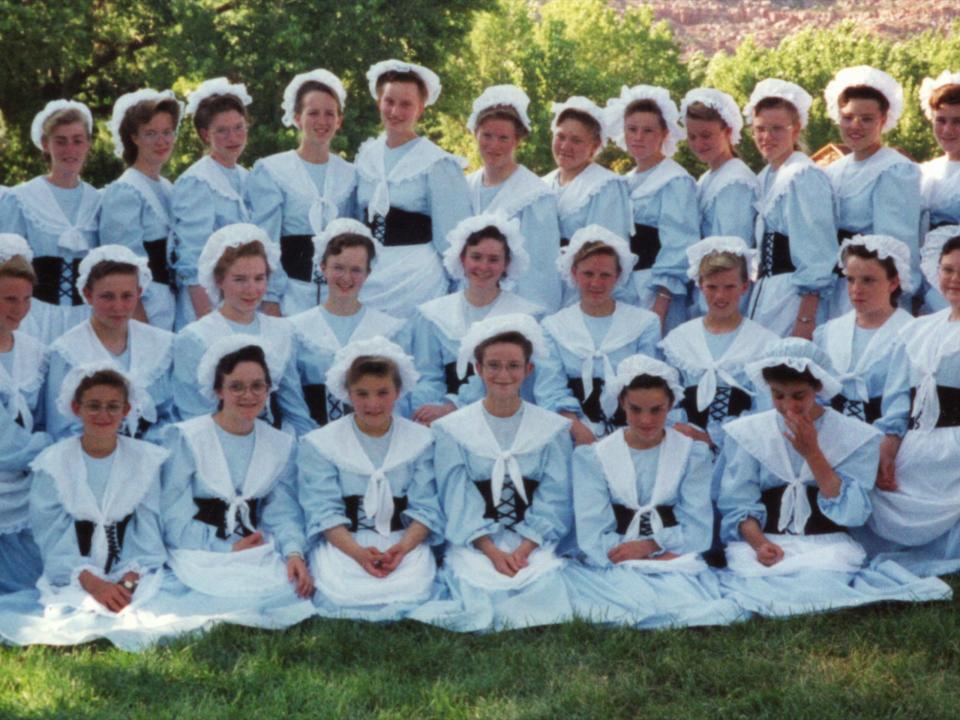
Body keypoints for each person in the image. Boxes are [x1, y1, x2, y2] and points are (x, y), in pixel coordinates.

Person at [716, 339, 950, 617]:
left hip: (824, 545)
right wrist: (759, 544)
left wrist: (813, 452)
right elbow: (737, 500)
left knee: (815, 587)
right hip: (768, 540)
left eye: (798, 396)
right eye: (778, 396)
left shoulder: (853, 436)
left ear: (818, 388)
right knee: (755, 580)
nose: (788, 405)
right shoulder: (749, 433)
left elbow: (853, 514)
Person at [564, 355, 744, 628]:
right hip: (617, 555)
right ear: (622, 402)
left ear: (671, 404)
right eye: (635, 409)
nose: (645, 420)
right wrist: (626, 552)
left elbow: (697, 524)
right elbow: (592, 531)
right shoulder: (594, 457)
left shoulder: (691, 453)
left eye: (656, 410)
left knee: (685, 597)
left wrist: (653, 546)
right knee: (620, 595)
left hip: (672, 554)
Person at [428, 314, 575, 631]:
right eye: (493, 365)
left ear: (528, 370)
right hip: (477, 538)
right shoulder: (452, 429)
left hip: (531, 538)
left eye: (513, 366)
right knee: (479, 580)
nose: (503, 374)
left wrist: (524, 548)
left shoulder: (551, 429)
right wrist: (492, 551)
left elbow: (555, 496)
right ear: (478, 369)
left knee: (539, 577)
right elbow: (456, 496)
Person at [161, 337, 316, 622]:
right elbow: (172, 514)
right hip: (201, 547)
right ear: (218, 390)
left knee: (283, 589)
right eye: (236, 387)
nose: (249, 395)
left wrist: (293, 552)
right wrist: (224, 547)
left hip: (255, 545)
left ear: (269, 389)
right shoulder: (188, 437)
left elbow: (283, 510)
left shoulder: (279, 443)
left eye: (258, 386)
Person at [298, 337, 445, 620]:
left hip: (402, 539)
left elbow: (427, 506)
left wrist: (401, 549)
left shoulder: (422, 440)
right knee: (342, 587)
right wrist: (359, 553)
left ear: (398, 391)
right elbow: (323, 509)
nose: (373, 403)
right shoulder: (321, 443)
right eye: (362, 394)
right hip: (347, 540)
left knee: (412, 584)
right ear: (347, 393)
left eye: (382, 392)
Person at [865, 228, 960, 576]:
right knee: (873, 482)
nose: (954, 279)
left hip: (955, 448)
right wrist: (889, 443)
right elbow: (897, 400)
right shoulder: (919, 329)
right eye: (948, 269)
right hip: (918, 440)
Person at [354, 59, 472, 317]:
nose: (395, 111)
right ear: (379, 102)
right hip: (368, 275)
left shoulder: (437, 163)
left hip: (416, 278)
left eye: (406, 104)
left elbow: (452, 237)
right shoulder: (366, 155)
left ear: (420, 109)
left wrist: (457, 293)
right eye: (389, 101)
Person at [171, 223, 312, 434]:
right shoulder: (195, 338)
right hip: (214, 444)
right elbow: (193, 415)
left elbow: (294, 408)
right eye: (240, 279)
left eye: (259, 278)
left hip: (271, 442)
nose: (252, 289)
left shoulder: (282, 331)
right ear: (219, 280)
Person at [410, 213, 543, 425]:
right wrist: (431, 411)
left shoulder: (525, 316)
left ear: (506, 263)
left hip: (504, 414)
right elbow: (427, 375)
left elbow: (527, 383)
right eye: (476, 257)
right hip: (444, 419)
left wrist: (454, 406)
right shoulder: (432, 314)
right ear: (462, 258)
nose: (483, 266)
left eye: (493, 259)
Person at [247, 69, 358, 315]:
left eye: (330, 114)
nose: (322, 121)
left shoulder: (350, 174)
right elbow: (265, 241)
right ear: (297, 117)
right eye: (313, 113)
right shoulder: (273, 170)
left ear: (339, 120)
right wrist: (271, 298)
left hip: (337, 296)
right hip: (290, 294)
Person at [172, 78, 280, 327]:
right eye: (222, 130)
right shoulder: (198, 181)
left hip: (245, 298)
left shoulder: (246, 176)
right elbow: (191, 260)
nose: (233, 137)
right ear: (204, 134)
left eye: (239, 127)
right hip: (208, 303)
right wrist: (209, 320)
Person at [537, 225, 660, 445]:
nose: (596, 283)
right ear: (574, 273)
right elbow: (550, 389)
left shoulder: (644, 323)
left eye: (605, 275)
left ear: (618, 275)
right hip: (572, 433)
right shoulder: (553, 327)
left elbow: (650, 386)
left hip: (633, 430)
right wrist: (578, 430)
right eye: (588, 274)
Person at [813, 235, 914, 489]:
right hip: (830, 443)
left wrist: (887, 443)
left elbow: (900, 399)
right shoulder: (828, 332)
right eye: (851, 280)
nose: (856, 289)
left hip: (882, 443)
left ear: (893, 282)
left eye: (868, 280)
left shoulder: (909, 332)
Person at [46, 245, 175, 441]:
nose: (118, 307)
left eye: (127, 296)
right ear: (88, 295)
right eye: (107, 296)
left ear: (139, 293)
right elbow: (61, 427)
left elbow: (172, 413)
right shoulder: (67, 351)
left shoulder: (162, 344)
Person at [661, 237, 777, 452]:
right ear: (700, 286)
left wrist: (714, 438)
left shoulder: (764, 343)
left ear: (744, 286)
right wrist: (687, 432)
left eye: (729, 287)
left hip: (739, 450)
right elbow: (666, 399)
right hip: (684, 447)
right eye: (712, 287)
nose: (720, 296)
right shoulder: (680, 340)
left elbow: (766, 409)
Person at [823, 66, 921, 317]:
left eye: (866, 119)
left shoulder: (894, 169)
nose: (855, 125)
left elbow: (897, 243)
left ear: (883, 120)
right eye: (848, 117)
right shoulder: (833, 170)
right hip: (837, 285)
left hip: (874, 289)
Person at [743, 79, 836, 338]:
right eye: (760, 129)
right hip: (767, 292)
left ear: (795, 130)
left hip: (793, 295)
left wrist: (805, 318)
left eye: (777, 129)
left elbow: (817, 250)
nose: (767, 137)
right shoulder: (766, 176)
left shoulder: (802, 175)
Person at [0, 100, 99, 343]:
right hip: (35, 315)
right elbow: (8, 267)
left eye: (77, 140)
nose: (70, 149)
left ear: (88, 144)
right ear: (46, 145)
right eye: (60, 141)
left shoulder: (98, 200)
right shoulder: (21, 198)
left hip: (86, 317)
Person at [290, 218, 406, 427]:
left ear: (367, 273)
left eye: (356, 270)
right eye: (338, 267)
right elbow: (292, 397)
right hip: (313, 434)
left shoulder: (390, 329)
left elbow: (400, 399)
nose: (346, 278)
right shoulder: (296, 329)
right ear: (323, 267)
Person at [605, 85, 699, 332]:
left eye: (648, 131)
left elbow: (679, 245)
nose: (638, 137)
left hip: (655, 292)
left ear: (664, 134)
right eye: (632, 129)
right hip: (623, 289)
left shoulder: (674, 180)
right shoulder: (624, 180)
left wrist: (661, 303)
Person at [465, 85, 562, 313]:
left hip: (512, 305)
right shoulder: (465, 186)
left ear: (517, 141)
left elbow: (539, 268)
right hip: (470, 298)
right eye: (487, 135)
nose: (494, 145)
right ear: (475, 133)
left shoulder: (534, 195)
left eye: (503, 138)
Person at [100, 88, 182, 330]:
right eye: (151, 133)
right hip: (146, 308)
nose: (162, 141)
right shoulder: (126, 191)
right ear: (134, 137)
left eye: (167, 132)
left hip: (172, 304)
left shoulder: (167, 187)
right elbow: (120, 268)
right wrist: (139, 325)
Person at [0, 235, 52, 593]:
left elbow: (48, 413)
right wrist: (49, 446)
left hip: (26, 475)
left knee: (35, 580)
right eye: (8, 299)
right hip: (14, 458)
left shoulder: (36, 351)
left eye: (26, 300)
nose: (18, 308)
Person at [543, 96, 632, 291]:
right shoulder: (542, 184)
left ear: (594, 146)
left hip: (584, 289)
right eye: (561, 137)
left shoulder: (605, 186)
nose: (565, 146)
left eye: (576, 140)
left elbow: (608, 250)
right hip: (544, 283)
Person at [681, 88, 757, 247]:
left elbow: (733, 246)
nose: (698, 144)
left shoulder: (735, 182)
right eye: (692, 136)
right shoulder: (707, 178)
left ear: (727, 132)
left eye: (706, 135)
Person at [918, 70, 960, 313]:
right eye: (941, 120)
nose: (948, 130)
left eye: (958, 122)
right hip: (929, 277)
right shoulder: (925, 172)